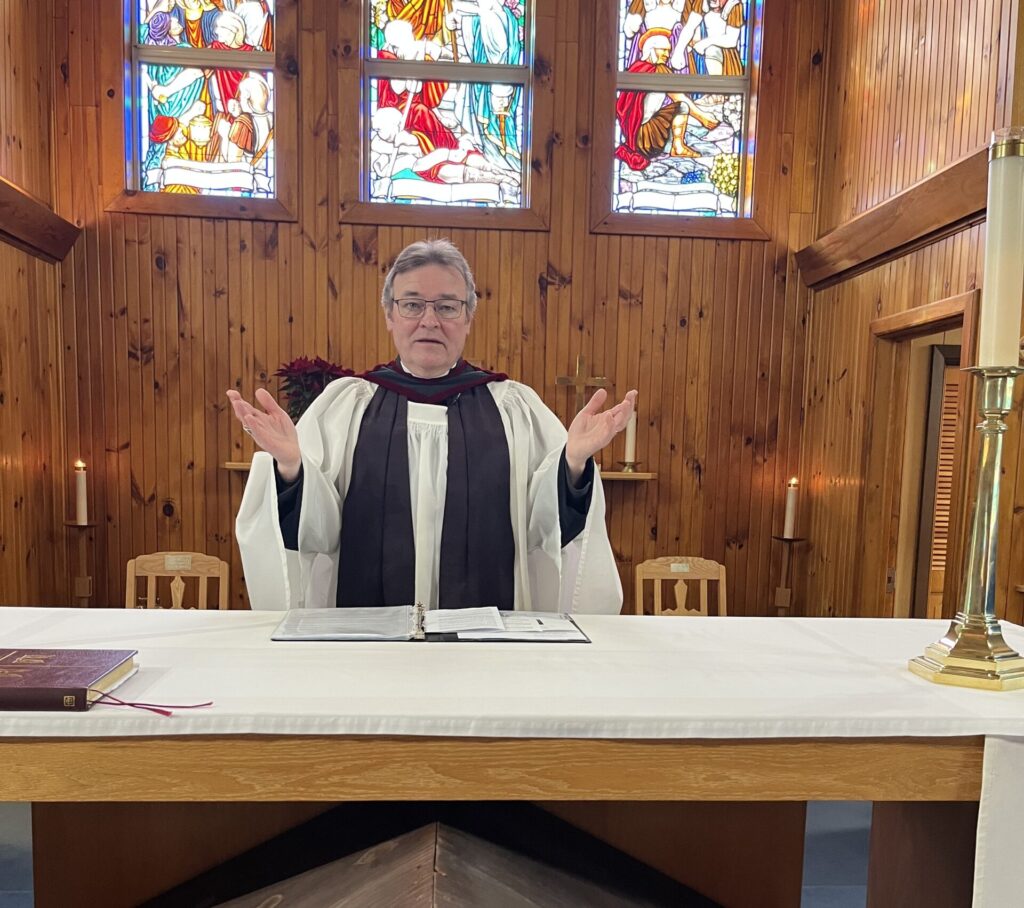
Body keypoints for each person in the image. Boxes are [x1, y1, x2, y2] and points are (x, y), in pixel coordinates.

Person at [228, 239, 636, 614]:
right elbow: (318, 531)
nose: (429, 320)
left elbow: (543, 526)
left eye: (446, 306)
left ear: (468, 318)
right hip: (369, 643)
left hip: (486, 641)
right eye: (412, 305)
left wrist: (575, 464)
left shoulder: (514, 408)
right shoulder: (348, 406)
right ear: (390, 315)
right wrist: (289, 469)